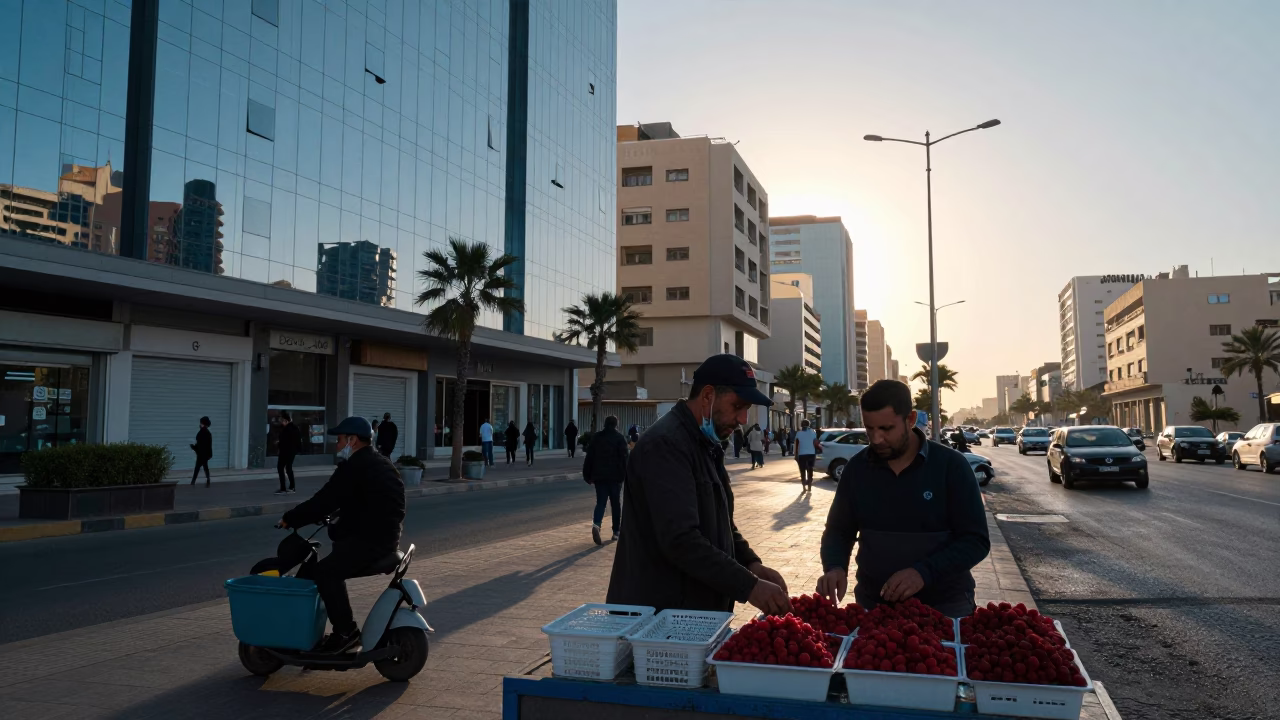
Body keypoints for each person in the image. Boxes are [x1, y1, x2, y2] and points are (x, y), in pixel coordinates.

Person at [606, 353, 791, 615]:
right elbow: (681, 540)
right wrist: (749, 587)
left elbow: (720, 525)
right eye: (738, 406)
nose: (743, 420)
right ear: (707, 396)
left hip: (693, 616)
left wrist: (751, 564)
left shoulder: (707, 445)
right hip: (659, 619)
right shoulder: (666, 445)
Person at [816, 380, 990, 618]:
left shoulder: (952, 467)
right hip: (874, 606)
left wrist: (923, 573)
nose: (876, 439)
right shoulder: (857, 470)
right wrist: (835, 566)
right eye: (869, 429)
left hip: (946, 608)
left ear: (910, 419)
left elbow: (975, 540)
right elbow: (838, 530)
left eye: (886, 429)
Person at [279, 416, 406, 653]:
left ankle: (346, 632)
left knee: (325, 573)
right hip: (385, 536)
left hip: (371, 542)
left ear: (353, 440)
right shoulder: (380, 462)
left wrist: (291, 518)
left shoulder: (355, 466)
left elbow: (325, 499)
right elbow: (361, 499)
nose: (337, 446)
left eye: (339, 440)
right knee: (334, 565)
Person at [583, 415, 628, 545]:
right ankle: (616, 531)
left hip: (600, 477)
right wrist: (625, 476)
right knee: (615, 504)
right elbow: (625, 459)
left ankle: (596, 525)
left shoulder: (597, 438)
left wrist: (587, 475)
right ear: (616, 425)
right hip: (615, 478)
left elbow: (589, 457)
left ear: (605, 424)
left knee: (601, 502)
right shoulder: (620, 438)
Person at [276, 411, 302, 495]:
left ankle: (285, 488)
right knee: (288, 468)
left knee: (282, 468)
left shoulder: (288, 429)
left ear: (285, 420)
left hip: (286, 451)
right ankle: (291, 487)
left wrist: (279, 445)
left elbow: (285, 441)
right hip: (291, 452)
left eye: (282, 421)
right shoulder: (294, 428)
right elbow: (298, 441)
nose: (281, 422)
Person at [793, 419, 820, 491]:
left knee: (802, 470)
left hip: (802, 454)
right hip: (811, 453)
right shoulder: (813, 432)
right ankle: (810, 485)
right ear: (809, 425)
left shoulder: (798, 433)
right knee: (810, 469)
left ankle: (804, 485)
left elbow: (796, 445)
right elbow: (815, 442)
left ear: (801, 425)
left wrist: (795, 454)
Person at [190, 417, 213, 487]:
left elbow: (200, 444)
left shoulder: (201, 433)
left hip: (201, 454)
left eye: (201, 423)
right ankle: (208, 479)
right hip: (205, 454)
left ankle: (193, 481)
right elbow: (209, 445)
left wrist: (194, 447)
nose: (200, 424)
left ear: (203, 423)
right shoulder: (208, 433)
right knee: (205, 466)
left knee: (197, 467)